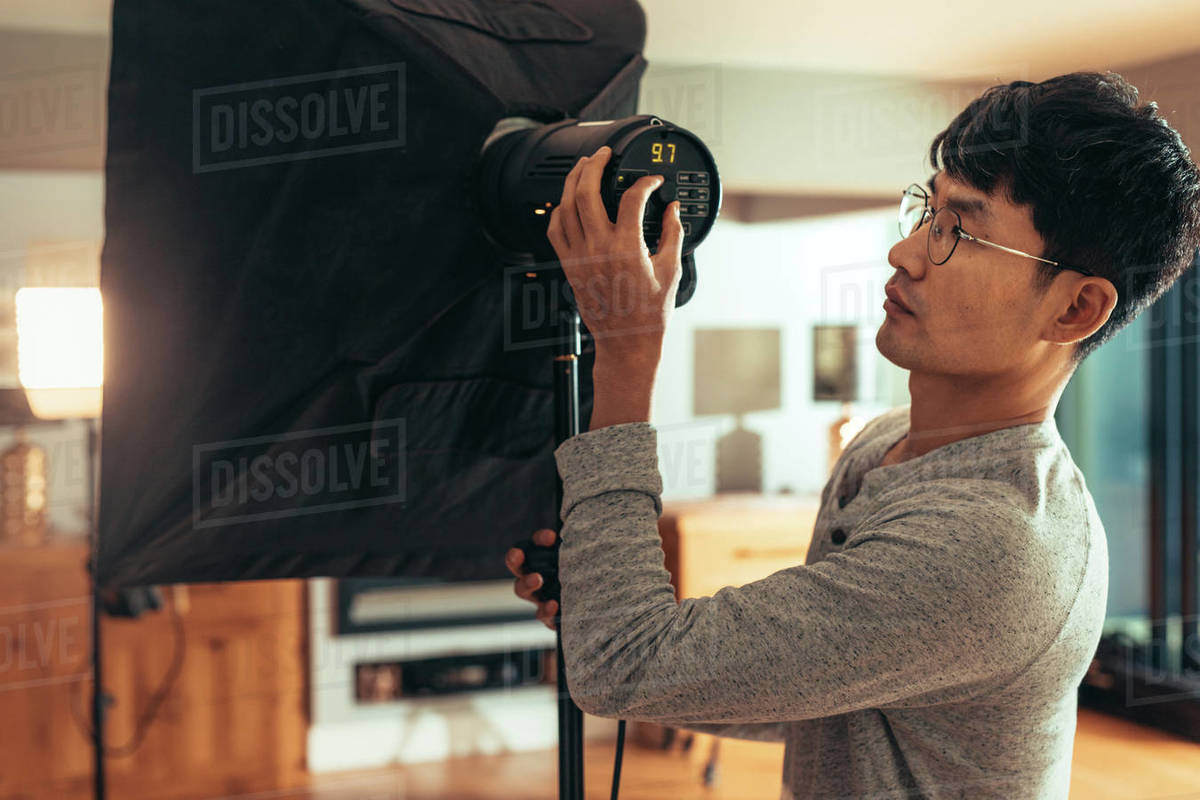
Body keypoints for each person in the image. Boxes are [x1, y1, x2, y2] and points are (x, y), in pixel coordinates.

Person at [505, 71, 1200, 798]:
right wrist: (611, 611)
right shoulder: (886, 443)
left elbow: (620, 669)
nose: (907, 253)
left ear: (1075, 309)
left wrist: (625, 357)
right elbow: (831, 692)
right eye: (927, 213)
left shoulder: (994, 544)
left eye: (960, 232)